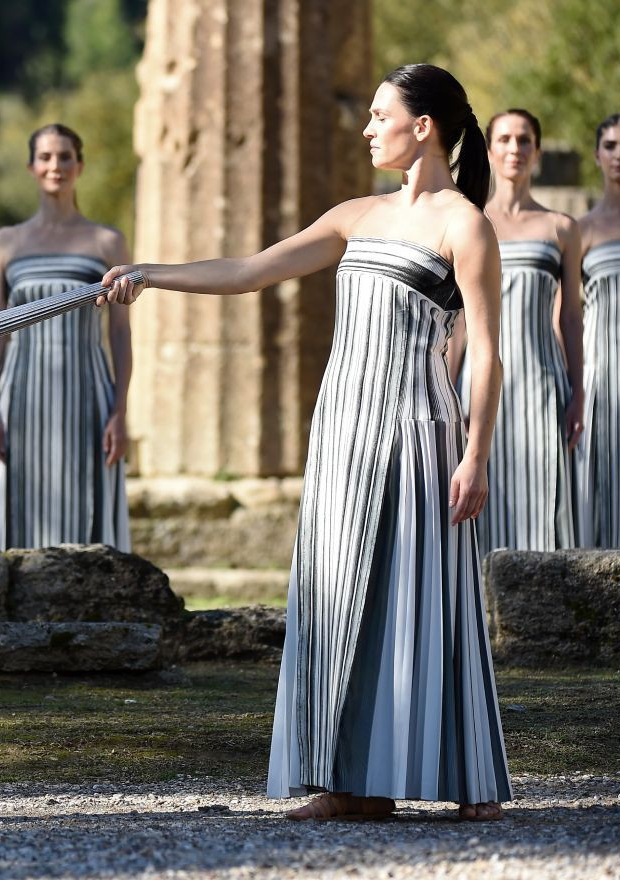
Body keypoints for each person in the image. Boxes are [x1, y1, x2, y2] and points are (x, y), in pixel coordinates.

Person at [102, 64, 510, 821]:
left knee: (423, 597)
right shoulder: (355, 214)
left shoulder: (465, 224)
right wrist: (151, 275)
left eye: (380, 114)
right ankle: (350, 782)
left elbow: (485, 349)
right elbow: (251, 272)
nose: (365, 127)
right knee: (334, 598)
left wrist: (476, 453)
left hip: (416, 428)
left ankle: (467, 777)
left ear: (422, 126)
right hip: (341, 432)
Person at [0, 123, 132, 550]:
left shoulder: (107, 242)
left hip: (88, 396)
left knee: (89, 515)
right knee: (17, 514)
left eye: (65, 156)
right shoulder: (5, 243)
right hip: (20, 396)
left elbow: (120, 333)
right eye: (45, 157)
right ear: (31, 167)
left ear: (79, 165)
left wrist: (121, 411)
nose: (55, 166)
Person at [449, 109, 584, 554]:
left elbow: (569, 316)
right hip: (480, 382)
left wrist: (578, 389)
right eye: (504, 139)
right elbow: (459, 319)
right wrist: (448, 390)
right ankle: (483, 618)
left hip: (543, 381)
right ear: (489, 150)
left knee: (547, 499)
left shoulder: (562, 228)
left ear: (537, 152)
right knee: (479, 497)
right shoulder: (468, 221)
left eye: (525, 140)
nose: (515, 148)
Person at [576, 114, 620, 548]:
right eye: (611, 146)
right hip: (604, 375)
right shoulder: (579, 230)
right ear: (598, 156)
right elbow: (565, 314)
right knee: (606, 479)